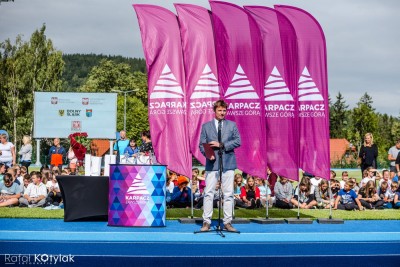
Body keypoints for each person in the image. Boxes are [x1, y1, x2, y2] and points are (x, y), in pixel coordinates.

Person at [198, 100, 241, 232]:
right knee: (208, 193)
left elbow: (238, 141)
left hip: (228, 163)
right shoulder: (206, 126)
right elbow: (202, 145)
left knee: (228, 194)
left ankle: (227, 222)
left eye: (224, 110)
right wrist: (208, 154)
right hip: (212, 164)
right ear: (214, 111)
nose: (222, 113)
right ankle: (206, 222)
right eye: (220, 110)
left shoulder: (232, 125)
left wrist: (222, 145)